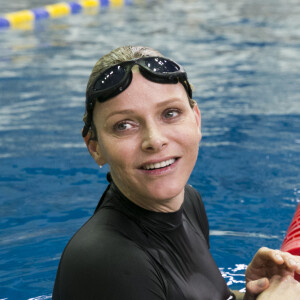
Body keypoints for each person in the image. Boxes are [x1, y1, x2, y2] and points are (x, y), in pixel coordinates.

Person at [52, 46, 300, 300]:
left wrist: (257, 292)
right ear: (95, 148)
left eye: (170, 113)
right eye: (124, 125)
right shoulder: (104, 261)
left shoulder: (189, 202)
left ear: (196, 120)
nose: (154, 140)